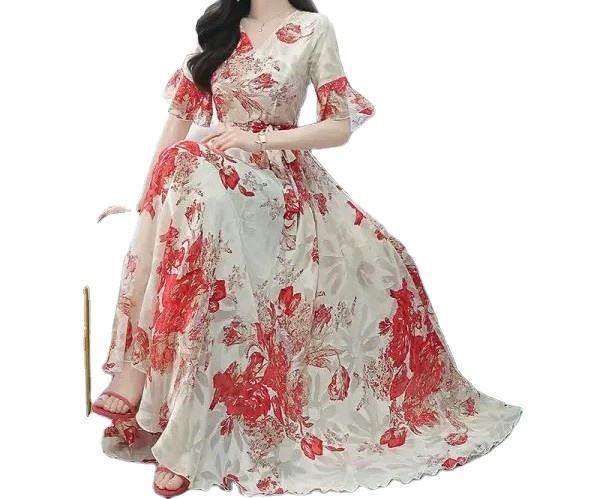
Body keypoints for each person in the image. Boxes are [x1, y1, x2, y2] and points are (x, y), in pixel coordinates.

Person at [92, 0, 523, 496]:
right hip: (209, 181)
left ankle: (167, 416)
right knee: (183, 166)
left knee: (192, 171)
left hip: (276, 180)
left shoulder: (312, 29)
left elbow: (338, 125)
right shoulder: (221, 30)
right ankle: (148, 387)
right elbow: (174, 128)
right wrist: (146, 204)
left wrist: (256, 141)